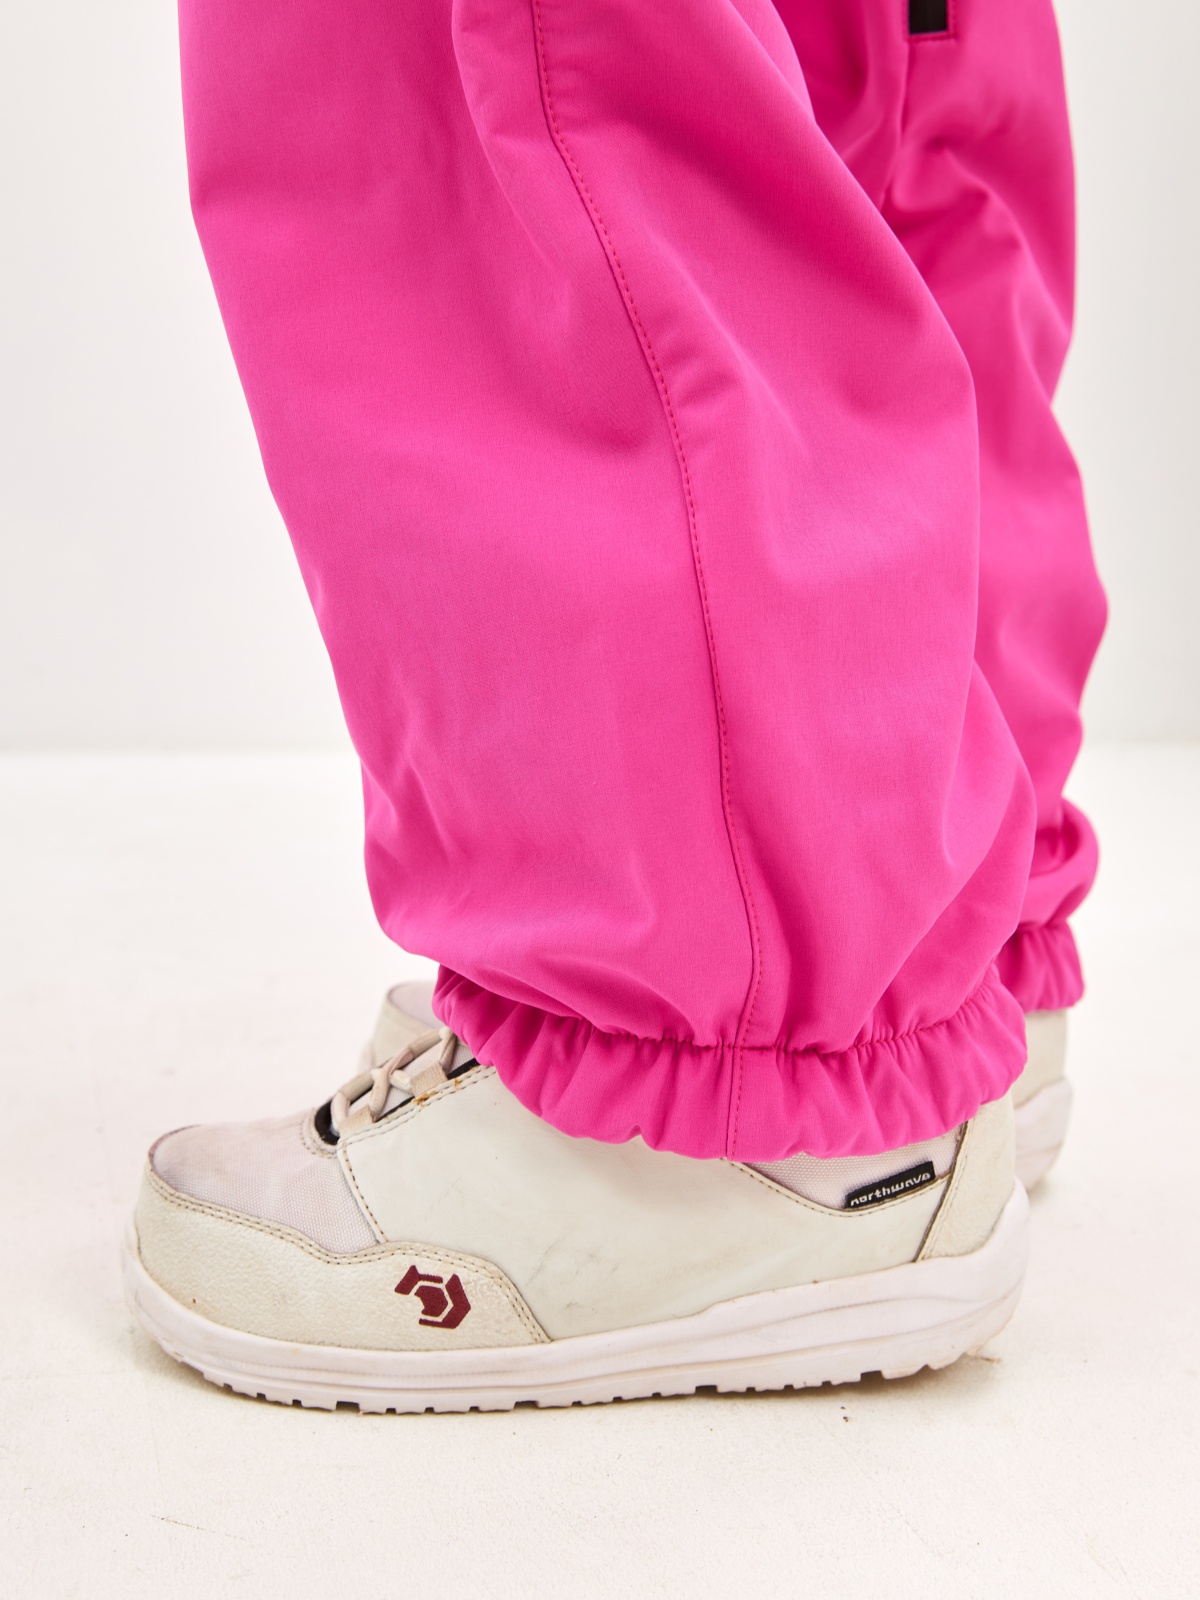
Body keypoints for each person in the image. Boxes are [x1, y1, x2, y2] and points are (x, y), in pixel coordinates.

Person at [125, 0, 1104, 1410]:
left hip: (735, 1042)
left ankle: (727, 1112)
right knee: (856, 46)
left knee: (505, 57)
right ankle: (944, 967)